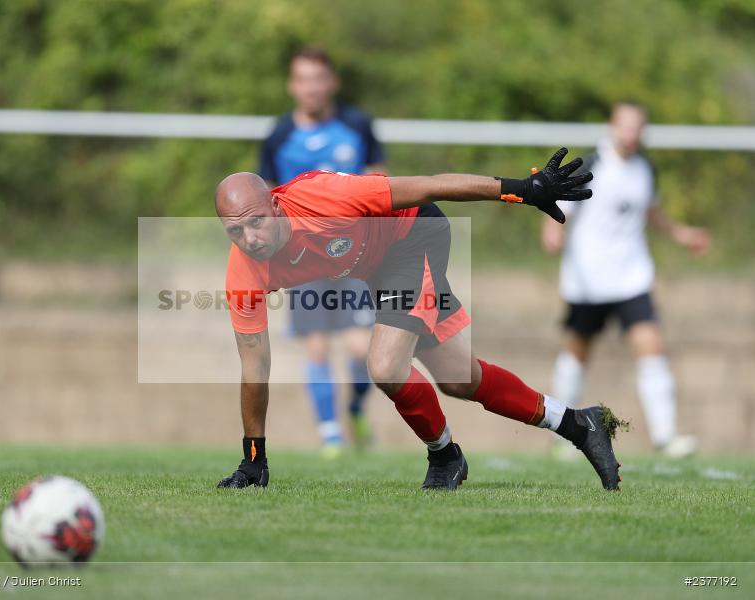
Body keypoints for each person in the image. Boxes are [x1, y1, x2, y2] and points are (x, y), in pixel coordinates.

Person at [214, 147, 624, 492]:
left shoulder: (325, 197)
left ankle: (446, 457)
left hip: (414, 237)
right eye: (235, 231)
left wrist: (520, 190)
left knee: (386, 365)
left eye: (256, 222)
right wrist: (254, 458)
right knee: (459, 378)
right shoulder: (246, 269)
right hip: (378, 268)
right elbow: (255, 366)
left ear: (274, 203)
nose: (250, 238)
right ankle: (578, 423)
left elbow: (431, 185)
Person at [541, 102, 710, 459]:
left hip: (632, 276)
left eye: (637, 128)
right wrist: (552, 232)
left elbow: (649, 210)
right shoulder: (591, 164)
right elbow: (558, 204)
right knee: (578, 353)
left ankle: (665, 437)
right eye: (625, 127)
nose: (631, 135)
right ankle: (561, 434)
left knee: (652, 347)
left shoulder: (645, 168)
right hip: (588, 278)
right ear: (612, 127)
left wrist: (680, 234)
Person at [259, 47, 385, 455]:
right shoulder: (278, 136)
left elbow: (380, 182)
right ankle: (330, 435)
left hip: (355, 255)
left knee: (360, 348)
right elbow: (267, 200)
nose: (311, 87)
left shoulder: (356, 125)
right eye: (303, 79)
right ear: (292, 85)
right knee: (315, 344)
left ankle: (355, 408)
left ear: (332, 83)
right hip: (303, 259)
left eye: (318, 78)